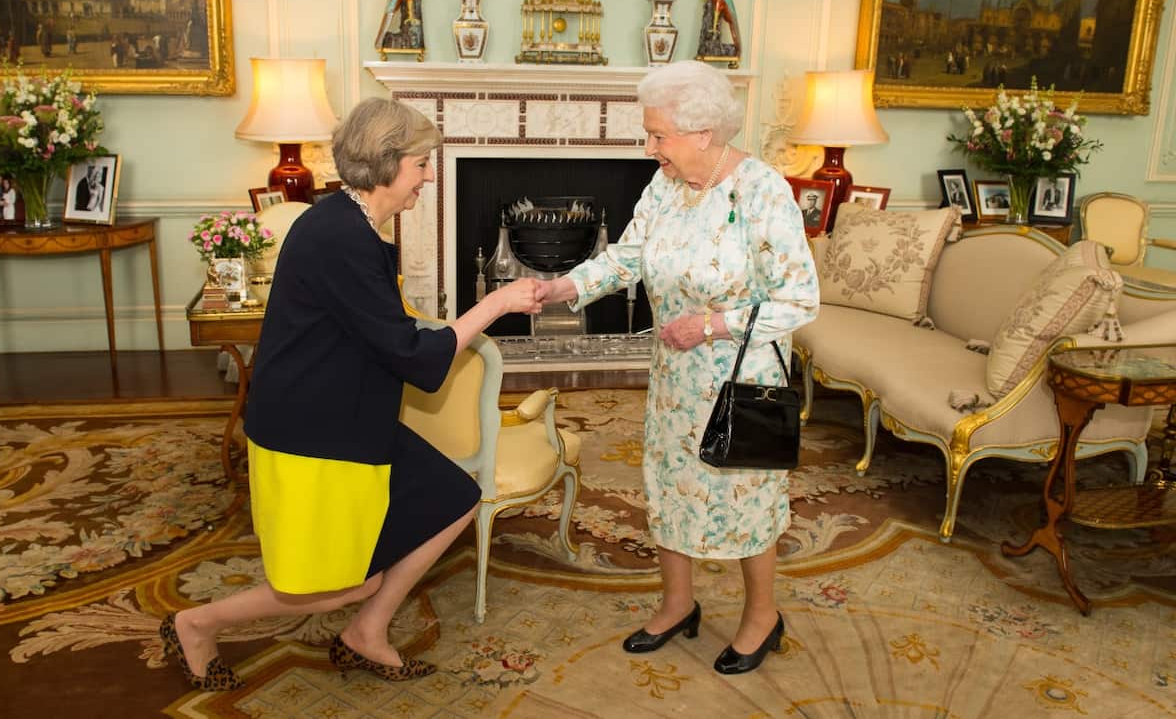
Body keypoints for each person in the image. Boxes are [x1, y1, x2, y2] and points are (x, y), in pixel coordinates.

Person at [160, 98, 544, 691]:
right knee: (346, 581)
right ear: (388, 164)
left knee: (455, 495)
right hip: (312, 430)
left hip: (350, 411)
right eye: (421, 164)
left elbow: (383, 331)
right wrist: (494, 304)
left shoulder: (353, 222)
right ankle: (195, 622)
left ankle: (367, 632)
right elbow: (412, 358)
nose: (429, 176)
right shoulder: (339, 235)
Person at [532, 60, 819, 676]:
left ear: (703, 134)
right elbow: (627, 257)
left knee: (744, 493)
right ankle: (677, 603)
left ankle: (762, 616)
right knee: (670, 484)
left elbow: (798, 299)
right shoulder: (664, 187)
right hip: (676, 377)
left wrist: (709, 325)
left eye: (659, 135)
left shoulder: (764, 192)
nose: (650, 147)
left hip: (743, 378)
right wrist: (563, 287)